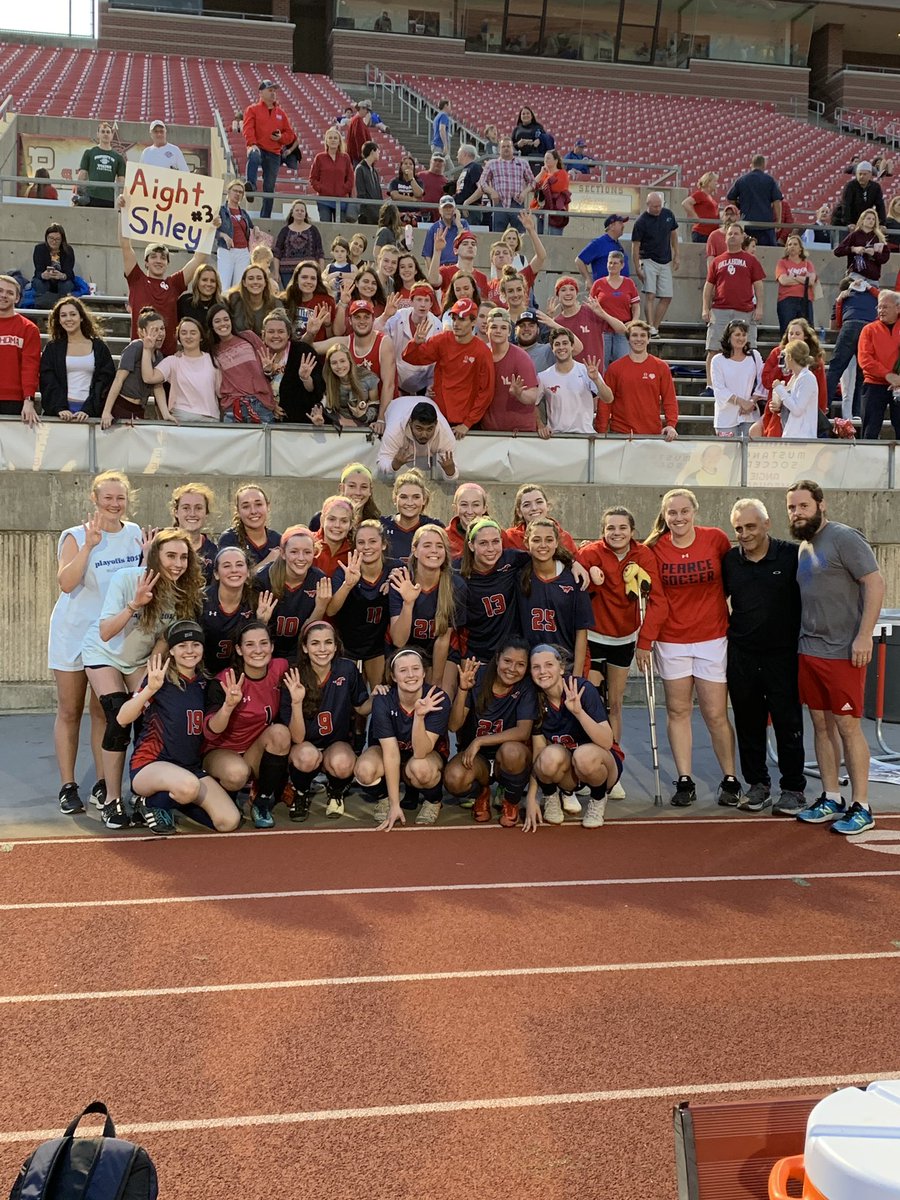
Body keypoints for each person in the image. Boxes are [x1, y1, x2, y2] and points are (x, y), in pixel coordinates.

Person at [82, 528, 204, 829]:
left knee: (146, 716)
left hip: (137, 660)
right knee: (118, 716)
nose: (177, 564)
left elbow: (164, 640)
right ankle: (111, 799)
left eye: (183, 557)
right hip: (104, 654)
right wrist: (135, 603)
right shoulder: (127, 579)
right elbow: (106, 631)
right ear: (154, 557)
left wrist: (153, 677)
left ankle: (143, 791)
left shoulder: (182, 594)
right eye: (170, 556)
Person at [787, 480, 884, 835]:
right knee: (821, 724)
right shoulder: (803, 547)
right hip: (809, 651)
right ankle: (831, 796)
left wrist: (864, 636)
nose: (797, 513)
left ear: (821, 505)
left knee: (847, 726)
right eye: (792, 508)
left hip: (844, 652)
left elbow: (875, 583)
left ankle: (862, 805)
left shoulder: (844, 538)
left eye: (803, 506)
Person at [48, 471, 142, 816]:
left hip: (112, 635)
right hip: (73, 633)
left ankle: (103, 782)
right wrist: (89, 546)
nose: (115, 504)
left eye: (120, 498)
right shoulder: (74, 535)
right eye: (108, 498)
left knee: (104, 710)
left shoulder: (135, 535)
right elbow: (66, 584)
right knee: (70, 710)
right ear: (94, 499)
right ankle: (68, 785)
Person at [642, 488, 742, 808]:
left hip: (713, 637)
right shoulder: (656, 547)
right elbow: (644, 584)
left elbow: (731, 579)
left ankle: (729, 777)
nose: (679, 517)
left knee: (715, 713)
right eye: (672, 512)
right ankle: (685, 779)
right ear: (664, 515)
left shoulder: (715, 539)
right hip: (672, 641)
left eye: (684, 511)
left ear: (694, 511)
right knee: (678, 711)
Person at [722, 498, 805, 816]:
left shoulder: (792, 555)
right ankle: (758, 784)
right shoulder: (730, 561)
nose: (744, 533)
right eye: (739, 528)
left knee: (788, 724)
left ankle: (794, 789)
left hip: (782, 656)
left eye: (750, 526)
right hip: (741, 655)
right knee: (748, 724)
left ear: (767, 524)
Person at [120, 626, 242, 834]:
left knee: (228, 821)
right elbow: (122, 718)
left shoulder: (205, 683)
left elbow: (214, 730)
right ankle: (147, 802)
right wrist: (149, 689)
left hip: (189, 768)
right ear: (172, 651)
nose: (189, 650)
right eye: (182, 645)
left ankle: (176, 802)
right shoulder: (160, 679)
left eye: (195, 645)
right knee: (188, 786)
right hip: (150, 765)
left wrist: (228, 706)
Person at [576, 508, 665, 791]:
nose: (616, 533)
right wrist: (588, 576)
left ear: (632, 531)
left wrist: (645, 642)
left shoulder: (643, 555)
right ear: (603, 531)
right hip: (592, 637)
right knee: (591, 704)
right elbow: (572, 577)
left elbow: (658, 601)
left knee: (615, 704)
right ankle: (584, 767)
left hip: (624, 639)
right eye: (610, 528)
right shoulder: (590, 552)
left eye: (622, 528)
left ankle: (612, 765)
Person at [201, 621, 293, 829]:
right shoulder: (225, 681)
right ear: (239, 650)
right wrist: (228, 707)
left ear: (271, 647)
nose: (258, 650)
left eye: (263, 643)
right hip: (220, 751)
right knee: (236, 774)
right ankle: (223, 794)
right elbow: (210, 730)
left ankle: (261, 802)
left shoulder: (280, 668)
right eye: (250, 645)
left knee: (280, 733)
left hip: (255, 750)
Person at [522, 644, 621, 832]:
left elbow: (607, 742)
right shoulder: (535, 700)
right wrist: (532, 797)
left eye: (549, 665)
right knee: (549, 757)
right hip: (570, 772)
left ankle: (598, 799)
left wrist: (579, 713)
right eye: (536, 667)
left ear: (561, 668)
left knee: (583, 755)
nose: (542, 671)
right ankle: (552, 797)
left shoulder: (582, 689)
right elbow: (538, 754)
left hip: (601, 765)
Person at [355, 648, 451, 830]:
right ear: (393, 675)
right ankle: (384, 798)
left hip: (423, 756)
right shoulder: (383, 700)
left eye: (415, 669)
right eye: (403, 670)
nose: (410, 675)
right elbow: (390, 754)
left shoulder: (438, 699)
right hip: (391, 753)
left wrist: (420, 717)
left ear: (424, 672)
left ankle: (433, 800)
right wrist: (394, 804)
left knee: (420, 768)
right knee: (364, 770)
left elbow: (421, 751)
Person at [284, 620, 371, 821]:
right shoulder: (293, 675)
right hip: (304, 744)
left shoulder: (347, 669)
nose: (322, 649)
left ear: (336, 645)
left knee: (343, 763)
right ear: (305, 647)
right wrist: (296, 702)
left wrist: (380, 695)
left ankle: (336, 790)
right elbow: (297, 737)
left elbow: (361, 707)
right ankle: (301, 792)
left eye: (328, 642)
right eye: (315, 643)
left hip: (335, 742)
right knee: (306, 756)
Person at [445, 640, 536, 826]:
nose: (512, 669)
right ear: (497, 658)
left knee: (512, 752)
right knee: (454, 778)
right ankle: (482, 793)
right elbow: (453, 726)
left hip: (509, 759)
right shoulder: (478, 677)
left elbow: (523, 731)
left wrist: (479, 740)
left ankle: (510, 800)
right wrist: (463, 690)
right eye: (507, 661)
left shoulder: (526, 686)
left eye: (520, 664)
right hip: (477, 759)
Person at [402, 297, 494, 438]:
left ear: (473, 322)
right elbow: (411, 358)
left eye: (462, 319)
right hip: (440, 418)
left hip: (466, 424)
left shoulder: (482, 351)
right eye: (454, 318)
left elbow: (486, 392)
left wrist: (467, 424)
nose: (456, 323)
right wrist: (415, 343)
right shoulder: (442, 340)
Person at [389, 525, 465, 691]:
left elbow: (443, 639)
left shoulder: (455, 585)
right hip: (406, 649)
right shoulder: (401, 580)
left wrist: (436, 683)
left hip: (438, 650)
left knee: (442, 697)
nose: (434, 551)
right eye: (427, 545)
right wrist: (408, 603)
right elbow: (399, 641)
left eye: (439, 546)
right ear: (415, 550)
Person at [118, 219, 207, 357]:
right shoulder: (136, 279)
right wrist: (121, 211)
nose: (158, 261)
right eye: (153, 257)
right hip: (140, 354)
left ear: (167, 263)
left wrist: (210, 227)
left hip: (167, 356)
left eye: (163, 258)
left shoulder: (174, 284)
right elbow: (125, 245)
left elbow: (198, 258)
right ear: (146, 263)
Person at [328, 520, 399, 691]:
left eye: (373, 541)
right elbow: (330, 610)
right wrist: (348, 584)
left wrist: (396, 583)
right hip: (347, 645)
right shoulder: (345, 571)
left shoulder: (396, 569)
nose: (367, 547)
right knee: (345, 698)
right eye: (361, 542)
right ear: (355, 546)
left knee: (380, 693)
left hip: (377, 646)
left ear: (383, 544)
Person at [516, 518, 593, 673]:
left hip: (564, 664)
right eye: (536, 540)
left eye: (549, 540)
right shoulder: (519, 575)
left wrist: (577, 675)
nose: (543, 545)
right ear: (526, 542)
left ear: (557, 542)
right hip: (529, 664)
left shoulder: (574, 579)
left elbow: (581, 632)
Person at [307, 298, 396, 432]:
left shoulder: (384, 343)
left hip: (381, 411)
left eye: (366, 317)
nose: (362, 321)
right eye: (357, 317)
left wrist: (381, 419)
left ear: (373, 319)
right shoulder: (343, 343)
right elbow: (305, 348)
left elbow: (389, 385)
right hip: (352, 413)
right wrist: (310, 333)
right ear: (350, 320)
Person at [702, 222, 765, 392]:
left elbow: (759, 285)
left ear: (742, 236)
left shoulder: (751, 260)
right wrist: (705, 309)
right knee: (713, 348)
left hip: (745, 309)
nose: (733, 236)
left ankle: (751, 385)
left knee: (749, 349)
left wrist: (759, 307)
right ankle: (710, 385)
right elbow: (709, 287)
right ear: (725, 237)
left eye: (736, 233)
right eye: (730, 233)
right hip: (720, 309)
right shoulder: (717, 261)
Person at [255, 525, 330, 660]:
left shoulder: (319, 580)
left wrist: (320, 607)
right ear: (283, 553)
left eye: (307, 552)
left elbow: (309, 634)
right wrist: (261, 622)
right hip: (267, 653)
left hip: (300, 651)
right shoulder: (264, 579)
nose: (301, 558)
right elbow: (251, 633)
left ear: (315, 553)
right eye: (294, 552)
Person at [600, 320, 678, 439]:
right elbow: (606, 402)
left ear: (648, 339)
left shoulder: (661, 367)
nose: (639, 339)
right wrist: (601, 430)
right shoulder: (615, 368)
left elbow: (669, 399)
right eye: (634, 335)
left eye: (642, 335)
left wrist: (671, 424)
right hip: (621, 434)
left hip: (652, 434)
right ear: (628, 339)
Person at [38, 298, 113, 421]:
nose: (68, 319)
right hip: (60, 414)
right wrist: (59, 408)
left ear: (81, 317)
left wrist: (88, 409)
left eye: (73, 314)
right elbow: (48, 380)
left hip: (90, 414)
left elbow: (105, 380)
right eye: (63, 315)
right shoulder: (52, 348)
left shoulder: (99, 347)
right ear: (59, 320)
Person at [100, 307, 171, 427]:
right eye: (154, 330)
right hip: (122, 405)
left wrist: (166, 414)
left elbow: (158, 387)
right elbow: (119, 379)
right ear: (143, 332)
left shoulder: (159, 356)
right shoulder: (136, 347)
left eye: (162, 329)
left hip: (139, 408)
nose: (160, 334)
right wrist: (106, 411)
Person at [142, 316, 220, 424]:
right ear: (179, 338)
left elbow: (220, 392)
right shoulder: (172, 361)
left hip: (211, 418)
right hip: (181, 417)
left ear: (201, 337)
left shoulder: (212, 360)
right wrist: (147, 349)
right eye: (183, 333)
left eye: (193, 333)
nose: (188, 336)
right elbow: (149, 378)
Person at [243, 80, 300, 218]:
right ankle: (251, 186)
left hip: (274, 152)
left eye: (274, 90)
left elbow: (290, 135)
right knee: (254, 155)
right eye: (270, 90)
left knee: (269, 187)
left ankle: (265, 217)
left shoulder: (281, 113)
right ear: (261, 93)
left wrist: (280, 137)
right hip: (259, 147)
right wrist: (252, 143)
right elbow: (248, 128)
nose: (273, 93)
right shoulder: (252, 109)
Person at [539, 327, 610, 435]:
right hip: (556, 438)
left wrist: (596, 380)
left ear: (572, 346)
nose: (561, 347)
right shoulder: (543, 376)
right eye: (557, 344)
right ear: (552, 348)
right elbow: (533, 403)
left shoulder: (587, 371)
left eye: (565, 343)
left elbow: (608, 398)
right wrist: (540, 425)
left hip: (585, 436)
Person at [826, 278, 879, 420]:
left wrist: (839, 301)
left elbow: (837, 322)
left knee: (835, 369)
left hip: (849, 326)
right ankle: (858, 413)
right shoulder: (873, 294)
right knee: (863, 373)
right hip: (869, 328)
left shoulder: (844, 296)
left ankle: (823, 406)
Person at [482, 307, 541, 432]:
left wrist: (519, 394)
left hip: (519, 434)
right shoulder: (481, 356)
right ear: (486, 329)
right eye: (493, 327)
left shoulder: (521, 358)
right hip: (488, 433)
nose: (498, 331)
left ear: (509, 332)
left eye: (503, 328)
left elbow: (533, 396)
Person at [631, 193, 679, 335]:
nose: (658, 209)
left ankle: (655, 326)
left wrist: (677, 254)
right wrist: (637, 266)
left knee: (667, 296)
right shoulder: (641, 222)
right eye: (655, 206)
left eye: (659, 206)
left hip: (665, 260)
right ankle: (650, 325)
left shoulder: (668, 215)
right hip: (648, 259)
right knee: (650, 294)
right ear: (648, 205)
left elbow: (674, 235)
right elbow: (635, 246)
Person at [376, 396, 458, 480]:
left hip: (427, 400)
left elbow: (454, 475)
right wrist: (394, 465)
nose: (424, 435)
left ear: (436, 424)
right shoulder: (395, 430)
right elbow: (381, 461)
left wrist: (450, 472)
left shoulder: (445, 433)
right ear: (410, 422)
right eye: (419, 428)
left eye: (429, 429)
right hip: (396, 406)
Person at [384, 283, 442, 395]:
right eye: (419, 299)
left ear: (431, 304)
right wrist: (385, 316)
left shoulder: (437, 326)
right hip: (396, 377)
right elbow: (382, 341)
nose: (422, 305)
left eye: (426, 300)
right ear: (411, 301)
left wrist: (432, 384)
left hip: (423, 382)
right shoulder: (396, 319)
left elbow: (436, 362)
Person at [711, 319, 765, 439]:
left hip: (750, 415)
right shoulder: (718, 360)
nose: (741, 338)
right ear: (729, 337)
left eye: (744, 335)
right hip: (726, 418)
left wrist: (751, 402)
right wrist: (742, 402)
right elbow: (719, 389)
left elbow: (762, 382)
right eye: (737, 334)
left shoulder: (754, 356)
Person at [857, 290, 900, 440]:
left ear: (897, 308)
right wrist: (888, 375)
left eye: (885, 307)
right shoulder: (869, 330)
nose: (881, 311)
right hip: (874, 384)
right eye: (879, 307)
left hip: (899, 385)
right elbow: (864, 359)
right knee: (870, 430)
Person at [0, 274, 41, 427]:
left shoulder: (28, 329)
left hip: (13, 401)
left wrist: (28, 399)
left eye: (10, 293)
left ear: (17, 299)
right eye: (0, 290)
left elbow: (30, 367)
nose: (4, 295)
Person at [379, 468, 445, 561]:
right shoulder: (381, 526)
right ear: (394, 499)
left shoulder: (435, 527)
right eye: (404, 497)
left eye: (416, 497)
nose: (410, 503)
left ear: (424, 499)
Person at [472, 135, 534, 233]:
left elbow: (532, 182)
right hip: (499, 203)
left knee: (521, 236)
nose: (506, 148)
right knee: (498, 236)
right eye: (503, 147)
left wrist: (524, 192)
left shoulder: (523, 163)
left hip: (517, 203)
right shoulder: (492, 164)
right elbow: (482, 182)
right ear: (499, 150)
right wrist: (492, 191)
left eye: (508, 146)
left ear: (512, 148)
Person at [588, 251, 640, 366]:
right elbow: (590, 306)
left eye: (615, 263)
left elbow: (636, 306)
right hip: (602, 330)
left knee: (622, 364)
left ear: (622, 265)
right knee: (601, 365)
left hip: (622, 329)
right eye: (610, 263)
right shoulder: (598, 284)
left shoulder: (629, 283)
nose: (612, 266)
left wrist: (634, 321)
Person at [765, 340, 819, 440]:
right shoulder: (795, 377)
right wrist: (778, 405)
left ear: (789, 357)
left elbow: (797, 410)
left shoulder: (807, 378)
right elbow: (790, 406)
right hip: (791, 434)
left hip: (802, 437)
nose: (784, 359)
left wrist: (780, 389)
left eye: (785, 356)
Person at [218, 484, 281, 569]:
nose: (253, 511)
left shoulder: (278, 540)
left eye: (258, 504)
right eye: (246, 506)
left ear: (268, 506)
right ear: (238, 511)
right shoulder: (229, 539)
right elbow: (235, 577)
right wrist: (269, 560)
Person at [726, 154, 783, 246]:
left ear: (751, 165)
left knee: (747, 251)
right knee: (768, 253)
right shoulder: (770, 180)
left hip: (747, 224)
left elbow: (730, 198)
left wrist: (740, 206)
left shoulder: (742, 180)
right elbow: (777, 201)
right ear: (764, 165)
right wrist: (778, 221)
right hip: (765, 225)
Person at [504, 485, 577, 556]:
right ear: (519, 512)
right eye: (527, 505)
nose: (534, 508)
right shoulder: (509, 538)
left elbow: (574, 564)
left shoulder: (564, 537)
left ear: (548, 506)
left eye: (539, 502)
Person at [171, 482, 218, 584]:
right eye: (186, 508)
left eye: (198, 508)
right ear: (176, 512)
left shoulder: (214, 552)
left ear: (206, 513)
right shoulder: (162, 544)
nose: (192, 514)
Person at [213, 180, 254, 293]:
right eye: (235, 191)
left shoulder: (244, 213)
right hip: (227, 250)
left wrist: (257, 229)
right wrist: (223, 235)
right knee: (224, 284)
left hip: (243, 252)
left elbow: (251, 227)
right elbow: (211, 231)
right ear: (228, 192)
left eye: (240, 192)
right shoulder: (221, 210)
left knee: (239, 287)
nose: (238, 194)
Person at [272, 201, 324, 287]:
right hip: (287, 272)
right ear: (292, 213)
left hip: (309, 271)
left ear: (305, 214)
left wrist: (321, 273)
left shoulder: (313, 230)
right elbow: (277, 254)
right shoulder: (284, 231)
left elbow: (320, 253)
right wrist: (276, 272)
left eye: (302, 211)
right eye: (297, 210)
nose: (299, 212)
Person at [280, 260, 336, 339]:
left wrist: (327, 325)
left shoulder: (327, 301)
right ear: (296, 280)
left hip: (317, 348)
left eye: (313, 278)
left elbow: (332, 338)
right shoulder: (285, 300)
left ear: (317, 281)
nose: (309, 281)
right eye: (304, 277)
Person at [309, 126, 354, 223]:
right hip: (324, 200)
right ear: (326, 141)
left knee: (341, 229)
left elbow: (350, 178)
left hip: (341, 200)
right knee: (326, 227)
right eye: (330, 138)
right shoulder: (319, 158)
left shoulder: (345, 157)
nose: (333, 140)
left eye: (335, 138)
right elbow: (313, 178)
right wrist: (321, 188)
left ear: (339, 141)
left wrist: (343, 189)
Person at [833, 208, 890, 284]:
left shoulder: (879, 237)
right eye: (868, 218)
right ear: (862, 220)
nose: (871, 221)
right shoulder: (854, 235)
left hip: (873, 277)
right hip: (856, 275)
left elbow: (885, 258)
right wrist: (853, 249)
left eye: (873, 219)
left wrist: (874, 254)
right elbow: (838, 251)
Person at [76, 121, 125, 208]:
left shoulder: (118, 157)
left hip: (109, 199)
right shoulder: (89, 153)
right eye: (102, 131)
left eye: (108, 132)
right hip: (91, 196)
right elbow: (82, 175)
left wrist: (119, 197)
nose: (105, 134)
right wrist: (80, 193)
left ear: (112, 135)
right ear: (98, 134)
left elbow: (121, 180)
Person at [775, 235, 817, 332]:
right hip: (787, 300)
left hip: (805, 300)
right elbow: (783, 281)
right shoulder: (782, 263)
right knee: (787, 329)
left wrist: (794, 276)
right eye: (789, 244)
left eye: (795, 244)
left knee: (807, 330)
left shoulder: (808, 263)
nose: (792, 246)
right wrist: (803, 278)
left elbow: (810, 281)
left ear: (800, 248)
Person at [576, 214, 631, 284]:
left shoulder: (618, 244)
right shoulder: (599, 243)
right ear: (612, 226)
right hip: (604, 289)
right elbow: (579, 261)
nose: (623, 226)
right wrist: (588, 279)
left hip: (621, 289)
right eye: (620, 223)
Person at [31, 224, 75, 308]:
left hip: (61, 280)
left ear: (62, 240)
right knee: (40, 283)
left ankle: (63, 307)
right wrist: (43, 275)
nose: (54, 241)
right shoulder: (39, 249)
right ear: (46, 237)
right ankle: (42, 309)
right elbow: (38, 271)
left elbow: (70, 273)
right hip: (44, 280)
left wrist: (62, 276)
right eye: (51, 238)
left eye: (57, 239)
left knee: (67, 285)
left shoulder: (68, 250)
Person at [445, 482, 490, 559]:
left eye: (476, 505)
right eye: (464, 505)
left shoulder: (498, 535)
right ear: (455, 508)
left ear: (484, 509)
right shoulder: (444, 537)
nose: (470, 511)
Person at [422, 197, 471, 266]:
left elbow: (467, 243)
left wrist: (458, 224)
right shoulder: (433, 229)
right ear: (440, 210)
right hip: (441, 268)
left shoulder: (463, 224)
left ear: (455, 210)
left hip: (460, 267)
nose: (448, 210)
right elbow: (427, 255)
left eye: (450, 207)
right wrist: (433, 274)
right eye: (445, 208)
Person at [532, 149, 570, 235]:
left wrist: (542, 188)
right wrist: (541, 173)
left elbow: (557, 188)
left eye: (548, 158)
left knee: (554, 237)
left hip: (555, 213)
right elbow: (533, 185)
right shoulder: (544, 174)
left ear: (556, 160)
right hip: (542, 211)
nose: (546, 160)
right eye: (545, 158)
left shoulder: (562, 173)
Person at [838, 161, 886, 229]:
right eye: (860, 174)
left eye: (864, 174)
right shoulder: (850, 186)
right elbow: (846, 205)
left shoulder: (875, 187)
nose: (861, 176)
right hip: (844, 220)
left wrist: (881, 223)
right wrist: (848, 223)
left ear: (870, 175)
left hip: (862, 220)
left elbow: (880, 205)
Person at [681, 172, 719, 243]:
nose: (716, 183)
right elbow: (685, 203)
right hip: (702, 232)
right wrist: (695, 217)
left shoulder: (710, 197)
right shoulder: (700, 194)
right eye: (714, 181)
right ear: (708, 182)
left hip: (710, 233)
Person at [354, 140, 383, 225]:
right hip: (367, 214)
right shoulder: (360, 169)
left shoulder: (374, 171)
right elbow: (361, 193)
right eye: (377, 151)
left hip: (376, 213)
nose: (379, 153)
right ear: (372, 151)